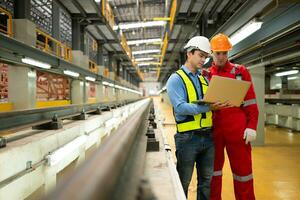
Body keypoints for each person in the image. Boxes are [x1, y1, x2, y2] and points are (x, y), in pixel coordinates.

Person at [166, 36, 228, 200]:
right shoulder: (176, 79)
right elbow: (180, 107)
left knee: (206, 183)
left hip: (208, 138)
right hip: (187, 139)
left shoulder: (203, 79)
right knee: (183, 182)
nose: (204, 60)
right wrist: (208, 107)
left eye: (206, 57)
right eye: (200, 55)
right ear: (189, 53)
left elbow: (208, 102)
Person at [206, 33, 259, 200]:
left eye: (224, 53)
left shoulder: (240, 72)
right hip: (214, 131)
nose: (221, 57)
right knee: (213, 174)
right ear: (211, 53)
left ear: (228, 53)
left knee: (243, 174)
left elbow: (251, 102)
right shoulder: (205, 75)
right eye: (217, 53)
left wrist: (251, 126)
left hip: (238, 131)